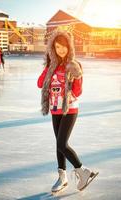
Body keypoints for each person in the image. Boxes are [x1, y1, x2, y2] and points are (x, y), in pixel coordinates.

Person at [37, 30, 98, 193]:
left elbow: (78, 91)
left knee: (62, 143)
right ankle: (62, 178)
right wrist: (48, 67)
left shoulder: (73, 64)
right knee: (59, 145)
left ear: (69, 47)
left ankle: (83, 171)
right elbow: (39, 83)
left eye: (63, 46)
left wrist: (76, 77)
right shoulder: (52, 65)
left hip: (69, 109)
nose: (61, 50)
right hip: (55, 109)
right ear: (53, 49)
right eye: (57, 47)